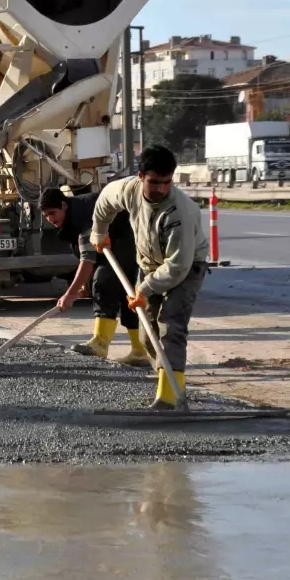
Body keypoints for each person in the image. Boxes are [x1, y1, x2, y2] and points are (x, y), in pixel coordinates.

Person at [91, 145, 209, 409]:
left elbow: (178, 266)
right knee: (147, 336)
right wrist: (99, 233)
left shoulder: (180, 211)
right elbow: (104, 203)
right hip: (149, 264)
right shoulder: (128, 190)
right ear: (140, 176)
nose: (161, 189)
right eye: (155, 182)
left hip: (187, 267)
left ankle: (169, 397)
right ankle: (169, 382)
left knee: (170, 328)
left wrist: (143, 289)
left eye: (167, 183)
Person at [39, 187, 151, 367]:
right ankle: (139, 351)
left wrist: (70, 294)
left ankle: (101, 343)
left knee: (105, 284)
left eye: (52, 213)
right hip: (118, 241)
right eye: (46, 216)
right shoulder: (72, 216)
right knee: (124, 293)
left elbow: (88, 260)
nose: (50, 219)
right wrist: (83, 285)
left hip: (127, 238)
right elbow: (87, 253)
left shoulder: (84, 214)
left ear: (63, 205)